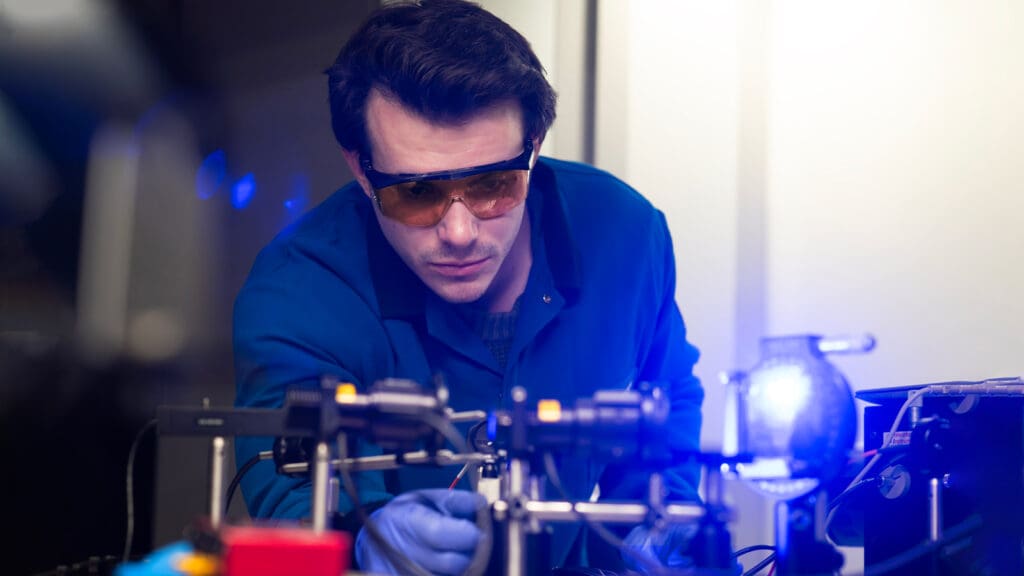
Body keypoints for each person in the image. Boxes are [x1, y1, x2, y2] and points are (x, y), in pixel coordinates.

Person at [232, 0, 705, 574]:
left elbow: (665, 398)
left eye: (493, 185)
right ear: (360, 169)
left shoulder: (624, 235)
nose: (459, 233)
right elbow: (293, 491)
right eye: (416, 193)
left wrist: (664, 515)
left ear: (532, 146)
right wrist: (365, 541)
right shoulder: (298, 292)